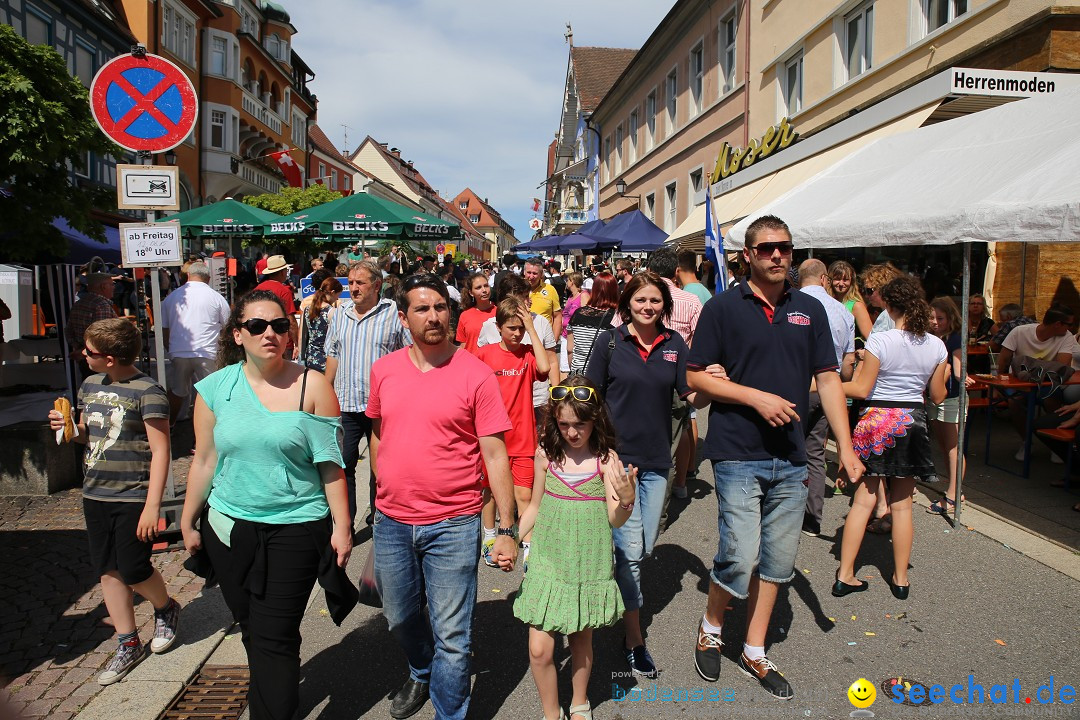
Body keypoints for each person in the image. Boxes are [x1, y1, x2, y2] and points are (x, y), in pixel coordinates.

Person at [687, 215, 863, 700]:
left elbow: (829, 379)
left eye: (785, 248)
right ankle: (711, 625)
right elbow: (696, 377)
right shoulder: (723, 306)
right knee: (740, 554)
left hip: (790, 456)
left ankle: (755, 648)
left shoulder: (809, 308)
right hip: (737, 451)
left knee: (779, 561)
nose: (778, 256)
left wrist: (845, 449)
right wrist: (754, 397)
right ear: (748, 255)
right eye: (767, 249)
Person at [180, 290, 353, 720]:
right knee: (254, 629)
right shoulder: (215, 388)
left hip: (296, 528)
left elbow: (332, 467)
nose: (269, 333)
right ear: (238, 334)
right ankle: (276, 690)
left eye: (278, 325)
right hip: (228, 528)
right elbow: (204, 460)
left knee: (274, 632)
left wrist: (343, 527)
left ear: (289, 332)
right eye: (257, 326)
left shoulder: (312, 386)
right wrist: (187, 520)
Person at [367, 273, 518, 720]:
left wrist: (505, 530)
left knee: (454, 636)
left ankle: (449, 713)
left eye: (439, 307)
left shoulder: (475, 373)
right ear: (403, 317)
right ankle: (420, 669)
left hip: (454, 522)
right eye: (422, 308)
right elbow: (378, 435)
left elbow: (495, 454)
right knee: (398, 617)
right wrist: (385, 485)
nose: (433, 316)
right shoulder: (385, 370)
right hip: (392, 521)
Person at [585, 271, 708, 679]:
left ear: (664, 306)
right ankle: (634, 638)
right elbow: (589, 393)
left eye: (655, 301)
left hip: (657, 463)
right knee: (633, 555)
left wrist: (712, 386)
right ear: (627, 304)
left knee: (646, 545)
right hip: (618, 461)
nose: (648, 307)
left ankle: (613, 573)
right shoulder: (610, 341)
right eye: (640, 300)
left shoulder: (674, 345)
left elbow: (688, 394)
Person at [48, 318, 179, 686]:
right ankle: (128, 641)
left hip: (134, 496)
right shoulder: (90, 384)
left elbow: (161, 450)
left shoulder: (148, 392)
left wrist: (153, 506)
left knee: (135, 568)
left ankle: (166, 608)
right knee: (107, 568)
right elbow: (88, 435)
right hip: (95, 493)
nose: (82, 356)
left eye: (88, 351)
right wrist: (67, 429)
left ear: (108, 358)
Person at [513, 377, 636, 720]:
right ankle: (551, 713)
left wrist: (627, 501)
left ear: (595, 419)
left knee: (581, 640)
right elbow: (534, 507)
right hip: (548, 560)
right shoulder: (545, 455)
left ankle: (579, 702)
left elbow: (615, 518)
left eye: (579, 424)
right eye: (564, 424)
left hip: (587, 563)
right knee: (539, 650)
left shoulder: (605, 459)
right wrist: (511, 534)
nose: (571, 432)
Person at [836, 276, 947, 602]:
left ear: (890, 304)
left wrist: (822, 386)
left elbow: (860, 389)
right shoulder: (936, 345)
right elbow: (938, 396)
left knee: (864, 501)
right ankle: (900, 579)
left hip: (876, 420)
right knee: (902, 506)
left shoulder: (880, 341)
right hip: (912, 421)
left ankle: (845, 575)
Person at [324, 260, 411, 525]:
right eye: (350, 283)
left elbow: (410, 354)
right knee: (344, 466)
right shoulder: (340, 314)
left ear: (376, 285)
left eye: (359, 283)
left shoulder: (394, 313)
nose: (353, 288)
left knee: (381, 468)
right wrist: (325, 394)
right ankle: (345, 522)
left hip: (383, 407)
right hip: (346, 404)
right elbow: (333, 355)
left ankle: (379, 518)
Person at [476, 298, 550, 569]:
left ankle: (527, 545)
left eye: (520, 328)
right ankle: (490, 537)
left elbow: (544, 369)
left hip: (523, 438)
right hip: (492, 438)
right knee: (491, 493)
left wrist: (532, 328)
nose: (517, 333)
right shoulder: (484, 355)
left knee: (525, 496)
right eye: (511, 328)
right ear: (498, 328)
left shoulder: (529, 353)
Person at [796, 259, 856, 537]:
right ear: (824, 279)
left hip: (796, 386)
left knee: (786, 449)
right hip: (828, 389)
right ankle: (812, 518)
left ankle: (785, 512)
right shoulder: (844, 312)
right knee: (815, 452)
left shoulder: (791, 303)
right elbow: (847, 364)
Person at [647, 248, 704, 502]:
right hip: (679, 375)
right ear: (677, 271)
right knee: (678, 431)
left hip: (644, 372)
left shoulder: (640, 297)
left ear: (650, 271)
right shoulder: (690, 300)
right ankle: (679, 483)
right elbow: (703, 340)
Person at [996, 303, 1080, 459]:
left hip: (1048, 382)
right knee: (1015, 402)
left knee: (1051, 398)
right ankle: (1026, 442)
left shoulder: (1066, 336)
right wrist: (996, 386)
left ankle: (1054, 442)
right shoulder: (1020, 332)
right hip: (1020, 381)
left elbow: (1061, 367)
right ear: (1058, 324)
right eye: (1070, 324)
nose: (1072, 327)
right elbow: (1004, 359)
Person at [478, 274, 559, 425]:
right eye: (524, 297)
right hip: (501, 402)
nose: (530, 301)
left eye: (528, 296)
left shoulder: (541, 322)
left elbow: (551, 361)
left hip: (538, 399)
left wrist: (555, 394)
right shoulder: (489, 326)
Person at [160, 261, 231, 422]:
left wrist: (170, 349)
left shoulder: (171, 298)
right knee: (212, 392)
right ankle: (212, 426)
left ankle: (169, 425)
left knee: (178, 391)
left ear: (188, 276)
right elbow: (228, 328)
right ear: (208, 278)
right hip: (207, 351)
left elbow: (164, 329)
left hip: (179, 351)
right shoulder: (216, 297)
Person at [927, 297, 975, 513]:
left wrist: (962, 377)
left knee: (953, 448)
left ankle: (954, 494)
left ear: (950, 318)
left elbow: (957, 367)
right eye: (932, 317)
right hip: (933, 398)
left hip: (952, 398)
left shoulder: (954, 339)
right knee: (945, 447)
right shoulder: (928, 337)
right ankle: (954, 489)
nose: (935, 322)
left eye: (940, 318)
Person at [66, 271, 118, 377]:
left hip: (85, 357)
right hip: (100, 358)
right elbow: (101, 336)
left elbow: (68, 331)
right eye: (112, 284)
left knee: (89, 388)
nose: (114, 287)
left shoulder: (79, 303)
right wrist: (83, 351)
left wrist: (78, 348)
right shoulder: (101, 306)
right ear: (103, 286)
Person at [566, 272, 619, 374]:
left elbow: (570, 349)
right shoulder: (617, 317)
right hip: (604, 374)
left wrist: (573, 370)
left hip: (579, 374)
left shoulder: (578, 314)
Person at [254, 255, 299, 359]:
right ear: (282, 272)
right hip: (282, 341)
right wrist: (297, 344)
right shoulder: (284, 291)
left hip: (262, 339)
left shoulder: (257, 289)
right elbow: (291, 320)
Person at [302, 276, 343, 373]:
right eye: (338, 295)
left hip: (310, 358)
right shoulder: (332, 312)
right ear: (332, 292)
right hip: (326, 361)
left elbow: (303, 336)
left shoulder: (308, 309)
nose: (337, 299)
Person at [828, 260, 873, 340]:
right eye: (837, 279)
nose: (841, 284)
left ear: (851, 281)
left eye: (845, 280)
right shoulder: (827, 301)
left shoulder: (857, 306)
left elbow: (870, 337)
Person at [455, 271, 496, 354]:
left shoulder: (499, 312)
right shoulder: (465, 315)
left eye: (486, 286)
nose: (484, 290)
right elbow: (463, 344)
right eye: (478, 288)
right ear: (471, 293)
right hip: (471, 362)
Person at [524, 258, 563, 340]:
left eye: (535, 273)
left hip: (543, 340)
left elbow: (557, 316)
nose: (531, 276)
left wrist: (554, 341)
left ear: (541, 274)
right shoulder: (516, 289)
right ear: (524, 272)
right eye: (529, 272)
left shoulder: (550, 290)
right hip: (521, 339)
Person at [559, 271, 590, 374]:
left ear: (572, 281)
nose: (566, 282)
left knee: (572, 365)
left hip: (576, 335)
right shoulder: (570, 297)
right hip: (565, 334)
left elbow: (586, 314)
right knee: (565, 366)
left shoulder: (583, 295)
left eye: (568, 280)